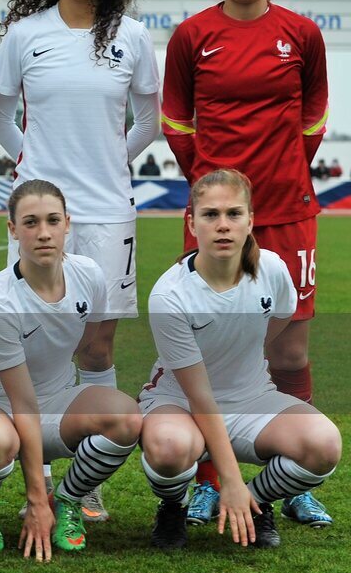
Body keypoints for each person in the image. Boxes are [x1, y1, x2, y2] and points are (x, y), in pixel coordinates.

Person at [0, 0, 159, 522]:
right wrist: (29, 166)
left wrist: (115, 156)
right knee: (36, 337)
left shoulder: (132, 38)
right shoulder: (25, 35)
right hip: (39, 212)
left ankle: (86, 475)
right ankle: (38, 464)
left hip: (109, 209)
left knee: (97, 339)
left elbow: (148, 117)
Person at [161, 0, 332, 528]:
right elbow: (176, 119)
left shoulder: (302, 33)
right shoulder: (192, 35)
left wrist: (288, 167)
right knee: (214, 346)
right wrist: (209, 181)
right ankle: (209, 478)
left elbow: (314, 111)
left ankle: (289, 484)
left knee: (289, 345)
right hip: (215, 216)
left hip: (288, 210)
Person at [139, 169, 340, 550]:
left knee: (324, 445)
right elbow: (200, 397)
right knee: (169, 448)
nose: (223, 225)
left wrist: (240, 487)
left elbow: (275, 325)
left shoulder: (274, 270)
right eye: (210, 214)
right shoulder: (170, 294)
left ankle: (256, 503)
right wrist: (226, 478)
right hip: (180, 402)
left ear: (251, 220)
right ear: (191, 222)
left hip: (251, 397)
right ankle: (173, 506)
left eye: (234, 214)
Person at [0, 180, 140, 556]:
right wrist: (34, 499)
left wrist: (50, 500)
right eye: (30, 222)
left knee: (128, 418)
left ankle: (68, 501)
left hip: (56, 400)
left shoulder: (89, 274)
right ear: (12, 230)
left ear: (67, 224)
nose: (43, 233)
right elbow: (22, 403)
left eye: (53, 220)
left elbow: (87, 346)